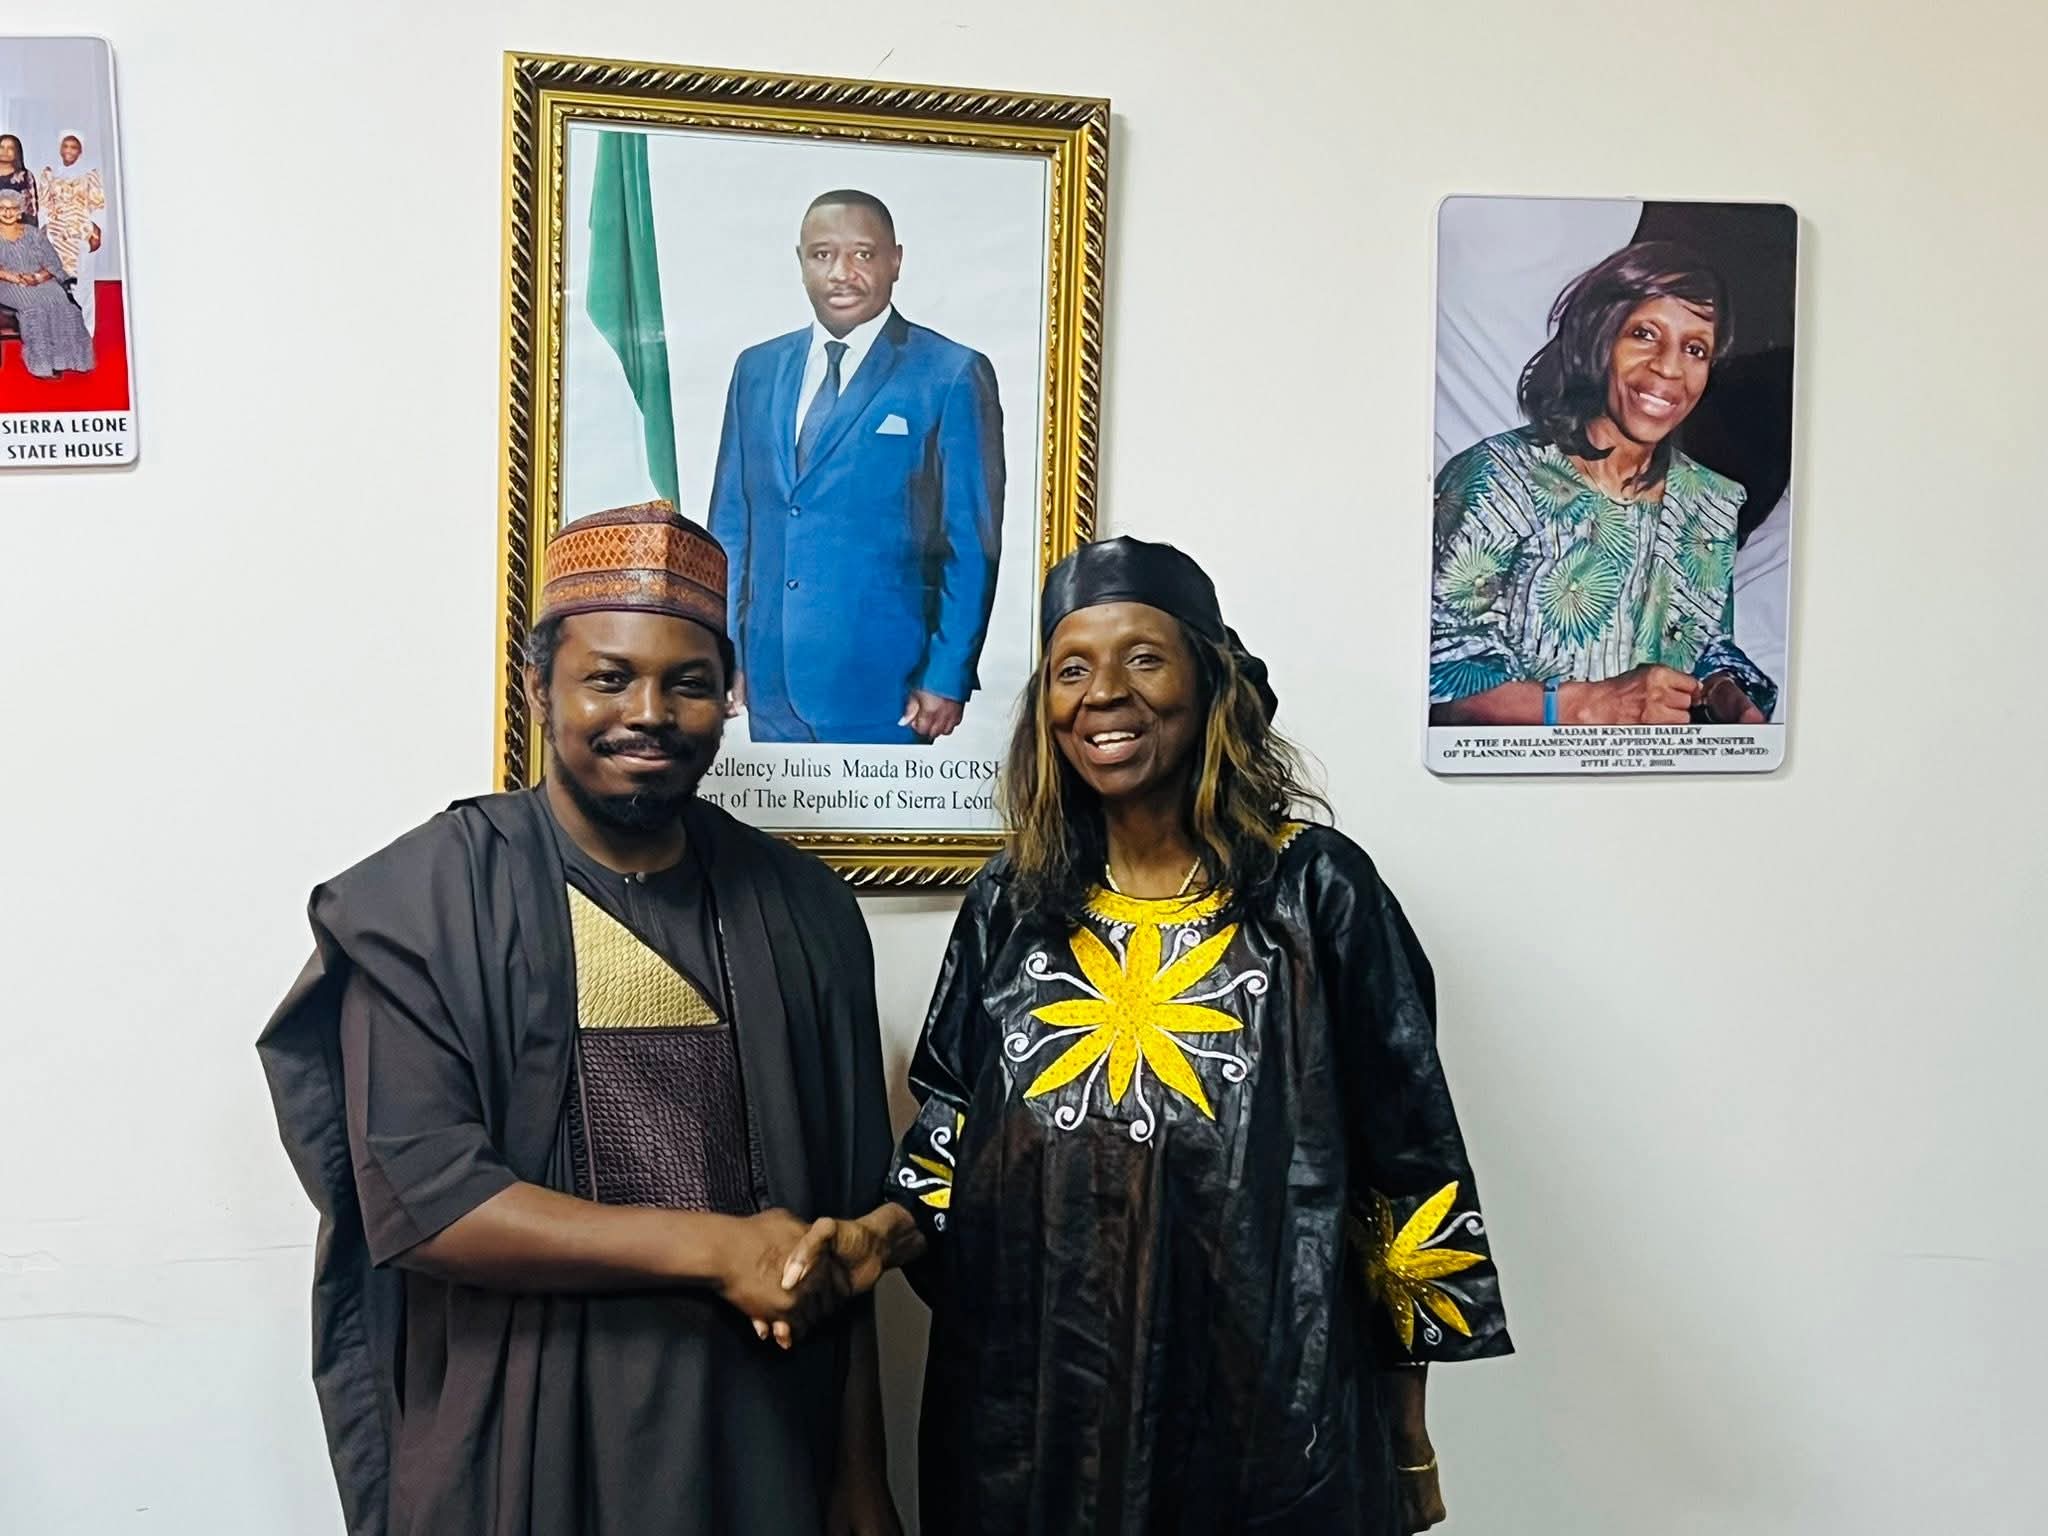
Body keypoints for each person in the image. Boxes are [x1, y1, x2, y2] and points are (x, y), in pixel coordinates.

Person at [782, 536, 1513, 1534]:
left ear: (1209, 682)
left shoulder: (1316, 893)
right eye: (1071, 669)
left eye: (1143, 658)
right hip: (1036, 1431)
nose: (1103, 695)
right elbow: (950, 1143)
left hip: (1267, 1429)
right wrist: (875, 1237)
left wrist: (1406, 1439)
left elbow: (1409, 1176)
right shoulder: (1013, 901)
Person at [258, 503, 900, 1536]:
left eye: (688, 683)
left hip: (757, 1440)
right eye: (608, 677)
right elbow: (430, 1202)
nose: (648, 712)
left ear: (727, 697)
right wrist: (718, 1249)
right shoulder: (430, 901)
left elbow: (845, 1234)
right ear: (538, 687)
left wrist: (862, 1486)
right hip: (519, 1432)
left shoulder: (803, 912)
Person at [1430, 241, 1779, 727]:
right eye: (1644, 334)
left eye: (1695, 349)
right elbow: (1438, 683)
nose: (1669, 368)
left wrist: (1724, 695)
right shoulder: (1498, 479)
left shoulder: (1710, 503)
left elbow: (1707, 645)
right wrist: (1585, 705)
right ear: (1600, 339)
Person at [708, 188, 1004, 745]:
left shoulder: (951, 372)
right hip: (769, 684)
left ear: (896, 260)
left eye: (862, 254)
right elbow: (731, 526)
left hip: (892, 691)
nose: (841, 273)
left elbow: (972, 543)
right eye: (822, 255)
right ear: (801, 262)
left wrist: (947, 676)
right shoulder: (756, 369)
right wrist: (725, 651)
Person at [0, 187, 93, 377]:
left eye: (12, 208)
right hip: (7, 283)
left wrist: (37, 277)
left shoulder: (33, 233)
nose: (7, 212)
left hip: (39, 279)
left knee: (64, 304)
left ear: (20, 211)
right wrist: (15, 278)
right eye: (2, 208)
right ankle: (42, 365)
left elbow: (52, 262)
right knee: (35, 307)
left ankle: (67, 360)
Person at [36, 132, 105, 334]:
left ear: (80, 151)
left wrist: (96, 232)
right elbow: (43, 204)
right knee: (55, 281)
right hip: (55, 233)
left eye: (74, 147)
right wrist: (44, 229)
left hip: (81, 232)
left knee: (82, 282)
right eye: (65, 146)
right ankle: (57, 331)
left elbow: (98, 205)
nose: (69, 151)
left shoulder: (90, 174)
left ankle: (84, 330)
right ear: (60, 148)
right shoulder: (49, 174)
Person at [0, 134, 39, 223]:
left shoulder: (26, 176)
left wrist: (30, 230)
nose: (5, 151)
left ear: (17, 152)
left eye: (10, 148)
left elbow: (31, 210)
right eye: (1, 147)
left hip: (17, 227)